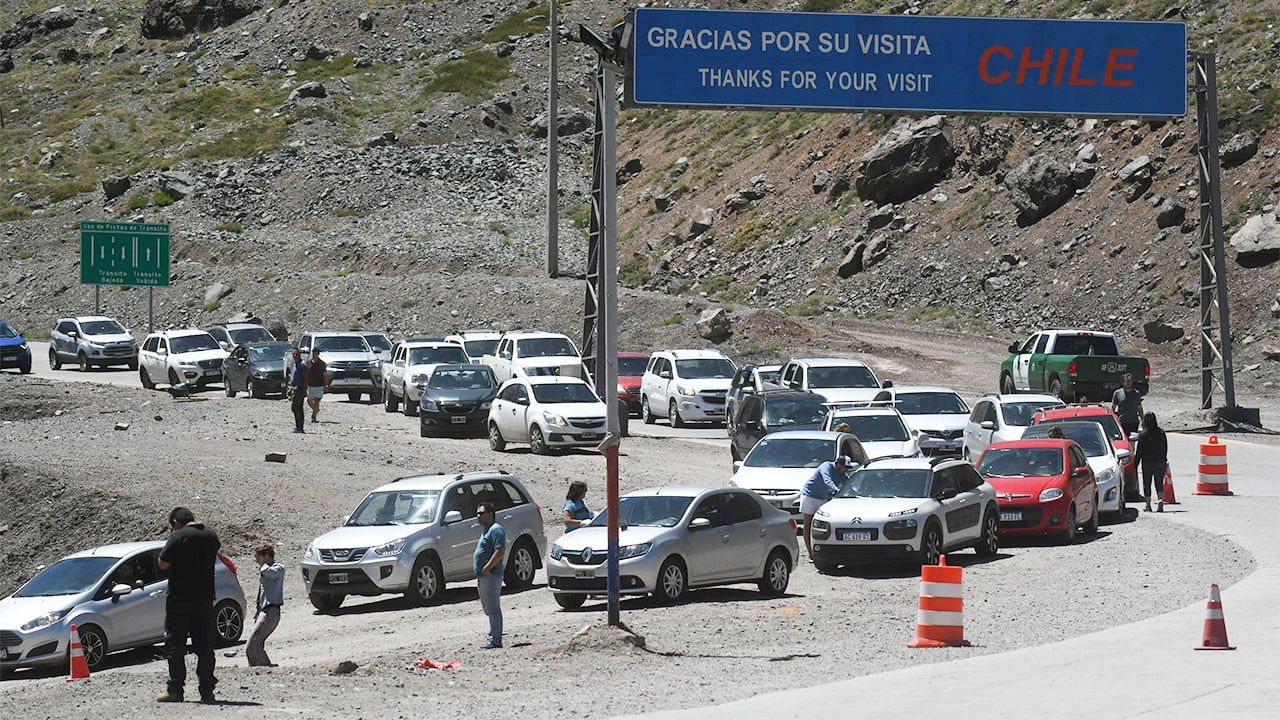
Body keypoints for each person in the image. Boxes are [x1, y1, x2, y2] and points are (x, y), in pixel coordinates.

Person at [156, 507, 221, 704]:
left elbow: (162, 564)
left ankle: (175, 690)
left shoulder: (178, 537)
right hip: (204, 599)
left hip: (180, 600)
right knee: (204, 647)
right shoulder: (210, 536)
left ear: (175, 522)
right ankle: (207, 691)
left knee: (176, 646)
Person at [800, 455, 855, 557]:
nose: (846, 470)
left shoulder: (841, 473)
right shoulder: (826, 466)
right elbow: (827, 481)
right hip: (809, 496)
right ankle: (810, 553)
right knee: (808, 524)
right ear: (838, 465)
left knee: (823, 524)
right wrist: (838, 491)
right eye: (845, 467)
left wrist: (857, 493)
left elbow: (848, 484)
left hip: (822, 497)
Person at [474, 502, 506, 649]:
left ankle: (495, 639)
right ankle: (493, 635)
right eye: (478, 513)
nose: (478, 516)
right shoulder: (486, 530)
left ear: (491, 514)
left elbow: (499, 551)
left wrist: (487, 568)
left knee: (493, 607)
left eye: (481, 513)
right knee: (488, 607)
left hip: (491, 575)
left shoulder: (496, 529)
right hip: (484, 575)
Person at [246, 545, 284, 667]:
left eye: (259, 557)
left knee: (252, 646)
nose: (256, 561)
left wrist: (264, 564)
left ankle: (264, 669)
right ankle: (265, 667)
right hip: (264, 611)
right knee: (256, 645)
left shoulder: (278, 568)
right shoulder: (265, 569)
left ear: (266, 556)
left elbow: (270, 573)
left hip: (271, 611)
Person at [1137, 412, 1169, 513]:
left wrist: (1135, 464)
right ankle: (1160, 500)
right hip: (1160, 461)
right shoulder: (1161, 432)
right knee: (1159, 483)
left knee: (1147, 483)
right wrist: (1164, 458)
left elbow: (1139, 451)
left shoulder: (1143, 435)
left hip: (1147, 463)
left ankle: (1148, 505)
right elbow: (1165, 447)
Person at [304, 347, 328, 424]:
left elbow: (324, 375)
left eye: (316, 352)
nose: (315, 354)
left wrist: (326, 385)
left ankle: (314, 416)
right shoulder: (308, 363)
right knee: (309, 400)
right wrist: (305, 384)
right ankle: (316, 409)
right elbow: (306, 374)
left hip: (319, 385)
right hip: (311, 385)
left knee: (317, 400)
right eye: (314, 352)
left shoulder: (322, 364)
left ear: (318, 353)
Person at [288, 348, 306, 433]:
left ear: (299, 354)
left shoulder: (302, 365)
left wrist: (305, 390)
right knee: (298, 408)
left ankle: (299, 427)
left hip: (300, 389)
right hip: (294, 388)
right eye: (293, 354)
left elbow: (306, 378)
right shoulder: (295, 364)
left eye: (296, 354)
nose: (295, 355)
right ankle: (298, 426)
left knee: (296, 407)